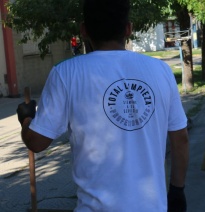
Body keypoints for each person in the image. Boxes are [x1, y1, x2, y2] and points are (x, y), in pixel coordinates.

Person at [16, 0, 189, 211]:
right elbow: (180, 139)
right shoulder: (160, 70)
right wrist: (177, 190)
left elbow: (37, 142)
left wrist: (26, 119)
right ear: (128, 28)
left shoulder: (66, 73)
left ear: (83, 30)